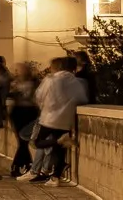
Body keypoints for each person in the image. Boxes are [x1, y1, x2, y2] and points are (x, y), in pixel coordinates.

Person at [29, 55, 90, 184]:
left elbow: (39, 96)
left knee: (37, 142)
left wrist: (43, 106)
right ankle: (55, 178)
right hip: (66, 119)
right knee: (60, 150)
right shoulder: (76, 81)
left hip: (49, 118)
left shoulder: (51, 79)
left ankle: (58, 141)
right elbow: (82, 99)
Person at [7, 62, 43, 179]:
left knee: (24, 141)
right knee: (21, 140)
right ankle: (26, 165)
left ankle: (18, 166)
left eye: (20, 70)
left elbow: (38, 98)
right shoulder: (14, 83)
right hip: (18, 113)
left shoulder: (35, 83)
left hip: (30, 112)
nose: (18, 72)